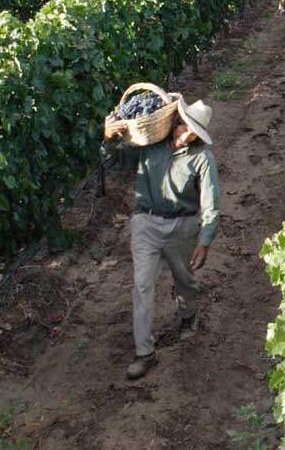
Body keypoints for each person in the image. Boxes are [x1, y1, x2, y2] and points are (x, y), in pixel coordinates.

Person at [102, 98, 221, 380]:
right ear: (176, 121)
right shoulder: (149, 145)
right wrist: (107, 139)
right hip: (146, 222)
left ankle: (188, 316)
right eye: (184, 126)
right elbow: (114, 162)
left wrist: (205, 241)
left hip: (182, 225)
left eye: (193, 132)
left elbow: (211, 202)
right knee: (142, 285)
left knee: (185, 280)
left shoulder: (202, 157)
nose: (186, 134)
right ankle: (144, 353)